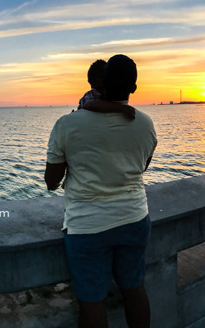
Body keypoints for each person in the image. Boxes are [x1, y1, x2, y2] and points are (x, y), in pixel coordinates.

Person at [45, 54, 157, 328]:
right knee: (134, 289)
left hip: (87, 227)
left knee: (92, 301)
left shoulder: (67, 124)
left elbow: (51, 181)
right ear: (133, 88)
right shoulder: (145, 124)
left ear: (102, 82)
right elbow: (140, 167)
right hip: (134, 218)